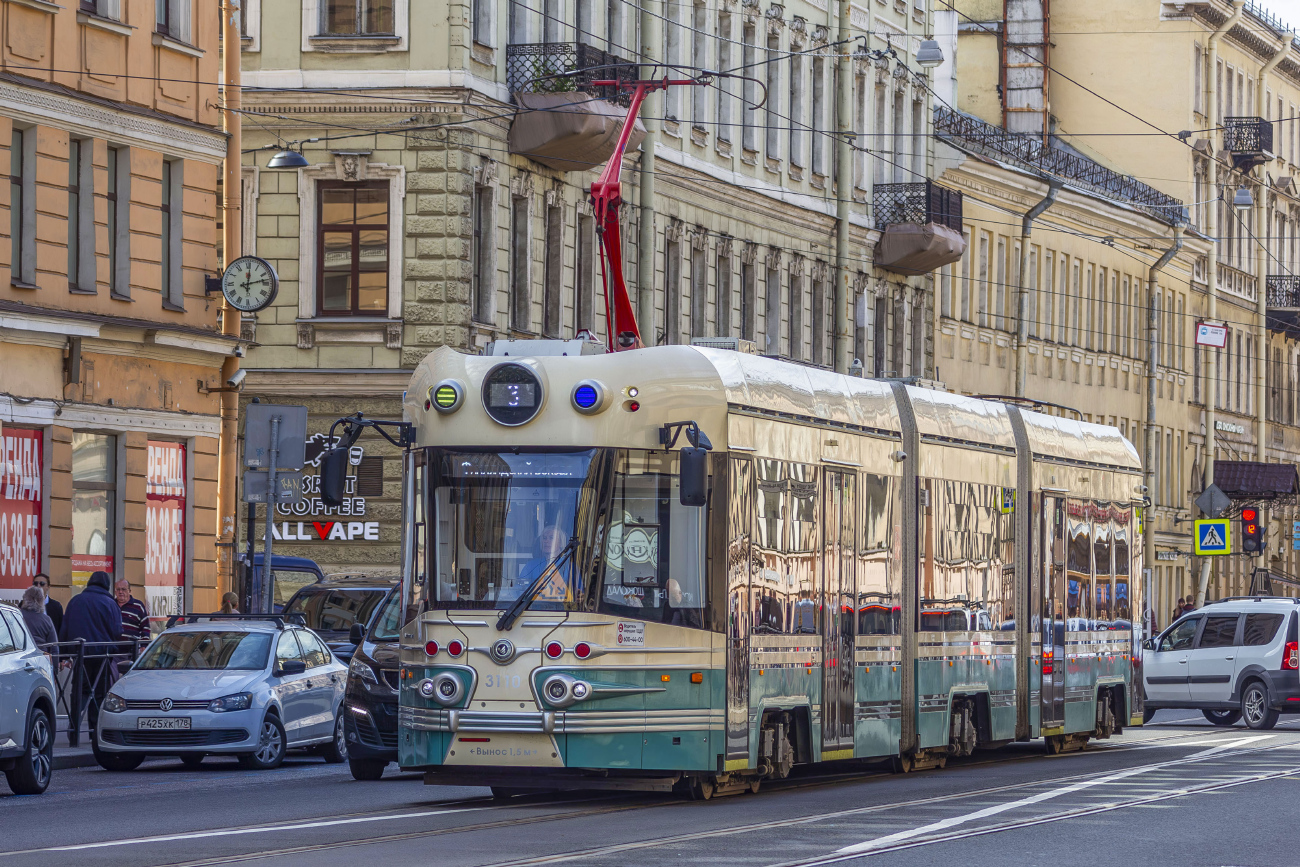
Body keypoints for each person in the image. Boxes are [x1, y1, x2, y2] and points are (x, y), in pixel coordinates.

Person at [61, 571, 123, 738]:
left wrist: (64, 655)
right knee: (99, 693)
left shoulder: (75, 601)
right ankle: (94, 732)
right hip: (102, 655)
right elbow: (117, 631)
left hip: (81, 655)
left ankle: (73, 729)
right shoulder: (111, 604)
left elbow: (65, 629)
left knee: (79, 691)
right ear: (107, 585)